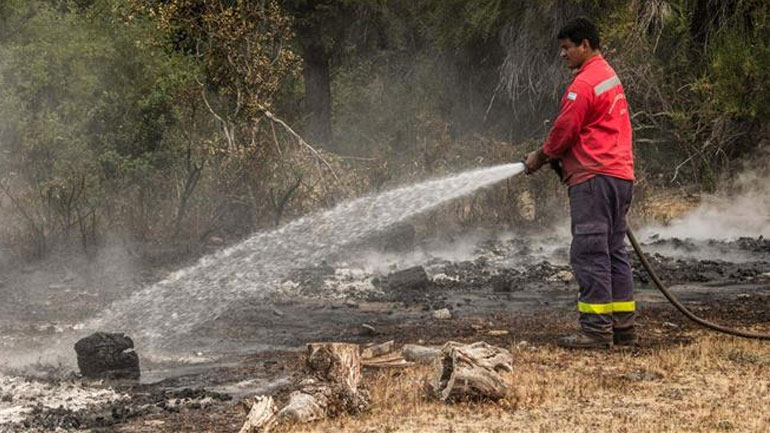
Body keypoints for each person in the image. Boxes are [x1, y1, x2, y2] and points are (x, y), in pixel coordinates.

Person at [523, 17, 636, 349]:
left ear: (585, 44)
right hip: (618, 176)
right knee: (614, 251)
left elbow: (565, 130)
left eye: (566, 48)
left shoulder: (584, 84)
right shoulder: (608, 76)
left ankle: (596, 330)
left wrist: (540, 156)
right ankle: (623, 328)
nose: (563, 55)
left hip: (593, 180)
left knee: (590, 253)